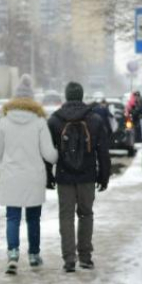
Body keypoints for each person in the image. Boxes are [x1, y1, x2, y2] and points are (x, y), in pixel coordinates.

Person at [0, 74, 58, 274]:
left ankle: (13, 254)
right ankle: (33, 255)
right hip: (33, 177)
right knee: (33, 218)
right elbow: (49, 154)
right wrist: (59, 157)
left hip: (12, 175)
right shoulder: (39, 122)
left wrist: (9, 162)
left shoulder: (4, 122)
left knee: (12, 217)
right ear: (32, 100)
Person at [47, 81, 111, 273]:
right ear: (82, 96)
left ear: (66, 96)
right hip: (87, 176)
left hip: (64, 176)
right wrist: (104, 175)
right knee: (86, 214)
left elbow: (48, 152)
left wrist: (48, 175)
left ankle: (68, 259)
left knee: (65, 216)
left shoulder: (55, 121)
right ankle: (85, 257)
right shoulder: (94, 119)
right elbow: (103, 152)